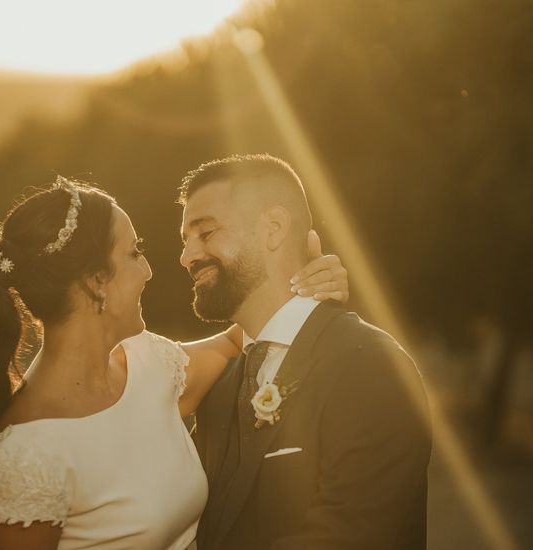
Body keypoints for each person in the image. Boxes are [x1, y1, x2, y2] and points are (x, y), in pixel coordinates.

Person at [0, 177, 350, 550]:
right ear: (96, 280)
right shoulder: (25, 461)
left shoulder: (147, 365)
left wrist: (308, 281)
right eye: (134, 253)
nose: (149, 271)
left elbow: (236, 339)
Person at [178, 154, 433, 549]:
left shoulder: (371, 366)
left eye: (206, 233)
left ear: (274, 228)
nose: (187, 256)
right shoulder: (221, 386)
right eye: (186, 240)